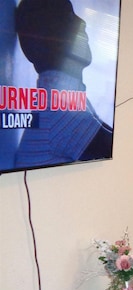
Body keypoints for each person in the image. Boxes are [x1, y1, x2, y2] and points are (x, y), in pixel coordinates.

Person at [14, 0, 113, 168]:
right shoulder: (60, 110)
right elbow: (127, 150)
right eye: (68, 17)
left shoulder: (60, 101)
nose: (82, 22)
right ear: (45, 39)